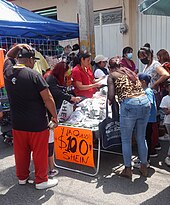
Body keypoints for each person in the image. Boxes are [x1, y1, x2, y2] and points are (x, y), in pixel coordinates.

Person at [3, 44, 58, 190]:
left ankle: (22, 177)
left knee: (21, 152)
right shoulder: (34, 75)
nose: (34, 63)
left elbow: (8, 57)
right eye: (34, 60)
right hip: (37, 123)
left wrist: (18, 46)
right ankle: (41, 181)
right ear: (29, 60)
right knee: (40, 153)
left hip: (18, 123)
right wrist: (54, 117)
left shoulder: (8, 72)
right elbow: (48, 99)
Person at [107, 57, 150, 178]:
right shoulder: (129, 72)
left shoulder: (112, 75)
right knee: (141, 137)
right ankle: (144, 167)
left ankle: (127, 169)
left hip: (130, 105)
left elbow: (110, 97)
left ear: (110, 68)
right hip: (145, 102)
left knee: (126, 139)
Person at [138, 43, 169, 152]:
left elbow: (165, 75)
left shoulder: (155, 65)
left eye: (143, 57)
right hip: (147, 93)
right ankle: (154, 144)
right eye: (140, 57)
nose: (142, 59)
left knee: (151, 121)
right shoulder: (147, 65)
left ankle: (152, 146)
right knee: (151, 121)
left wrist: (154, 84)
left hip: (153, 94)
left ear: (149, 55)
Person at [137, 73, 157, 165]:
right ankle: (142, 157)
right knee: (143, 138)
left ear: (143, 82)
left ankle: (146, 159)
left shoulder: (148, 91)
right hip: (146, 119)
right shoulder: (145, 90)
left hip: (148, 119)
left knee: (146, 139)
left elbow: (149, 104)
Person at [159, 79, 170, 166]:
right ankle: (168, 157)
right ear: (167, 88)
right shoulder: (165, 99)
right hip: (168, 121)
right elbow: (166, 112)